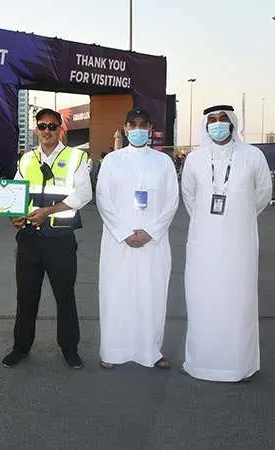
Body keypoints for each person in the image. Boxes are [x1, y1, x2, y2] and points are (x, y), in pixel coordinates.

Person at [181, 104, 272, 382]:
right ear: (205, 125)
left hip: (239, 244)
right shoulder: (195, 158)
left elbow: (263, 195)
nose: (217, 124)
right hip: (203, 244)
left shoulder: (253, 156)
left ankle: (238, 366)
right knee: (203, 299)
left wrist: (238, 216)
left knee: (238, 302)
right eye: (212, 120)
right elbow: (190, 197)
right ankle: (201, 363)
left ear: (233, 123)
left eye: (223, 119)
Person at [2, 108, 92, 369]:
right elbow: (17, 194)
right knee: (26, 297)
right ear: (36, 129)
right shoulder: (26, 159)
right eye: (42, 126)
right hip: (29, 238)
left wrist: (49, 211)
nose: (47, 131)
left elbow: (83, 194)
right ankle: (21, 347)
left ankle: (69, 349)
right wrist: (14, 217)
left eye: (52, 126)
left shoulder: (76, 157)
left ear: (60, 129)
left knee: (65, 297)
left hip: (60, 240)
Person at [96, 108, 179, 370]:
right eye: (133, 124)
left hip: (153, 242)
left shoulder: (163, 161)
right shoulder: (112, 160)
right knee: (116, 294)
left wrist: (150, 232)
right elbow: (103, 199)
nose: (139, 129)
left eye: (144, 125)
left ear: (151, 128)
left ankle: (151, 351)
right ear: (125, 127)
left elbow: (171, 201)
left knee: (151, 295)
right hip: (118, 241)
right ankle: (112, 350)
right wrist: (124, 232)